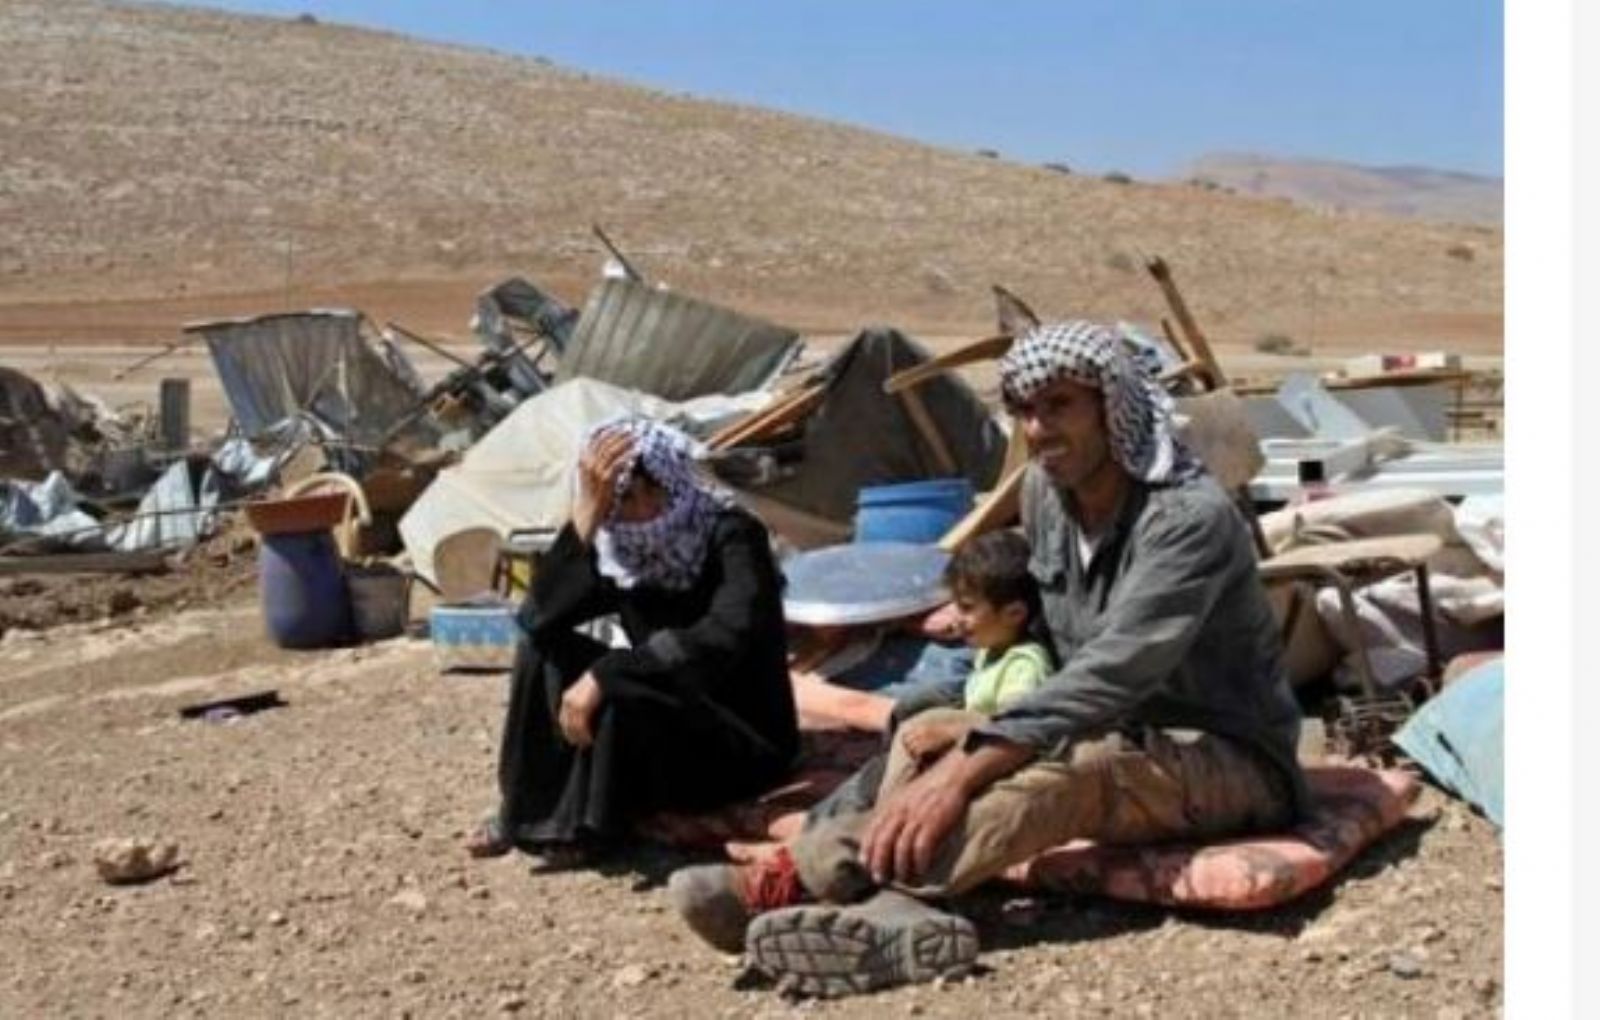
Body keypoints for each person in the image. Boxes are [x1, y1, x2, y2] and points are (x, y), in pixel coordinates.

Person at [667, 320, 1309, 997]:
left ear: (1112, 407)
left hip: (1225, 754)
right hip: (1094, 720)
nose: (1037, 429)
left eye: (1059, 406)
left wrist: (966, 770)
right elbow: (1051, 650)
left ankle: (854, 891)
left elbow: (1114, 671)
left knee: (1079, 766)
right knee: (926, 728)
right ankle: (847, 883)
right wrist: (960, 722)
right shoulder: (1046, 497)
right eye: (1024, 410)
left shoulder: (1186, 519)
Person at [468, 415, 800, 865]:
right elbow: (538, 619)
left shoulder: (731, 533)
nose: (644, 512)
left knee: (621, 687)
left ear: (675, 481)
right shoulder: (618, 552)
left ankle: (594, 832)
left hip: (740, 741)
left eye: (654, 491)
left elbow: (727, 633)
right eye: (624, 498)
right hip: (667, 715)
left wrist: (609, 673)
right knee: (542, 652)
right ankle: (529, 815)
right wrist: (586, 516)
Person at [790, 528, 1052, 755]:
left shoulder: (1023, 667)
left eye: (966, 607)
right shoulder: (991, 650)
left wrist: (952, 730)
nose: (956, 617)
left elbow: (1016, 726)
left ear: (1014, 614)